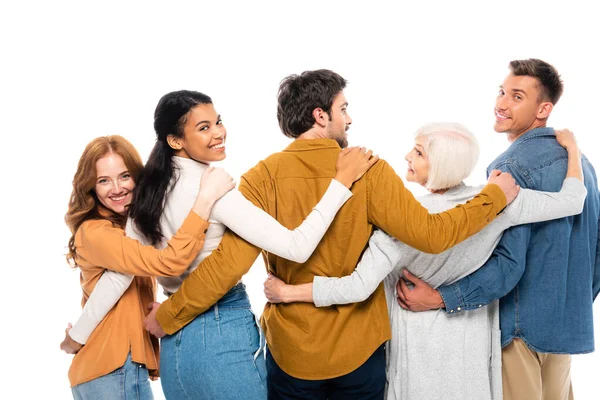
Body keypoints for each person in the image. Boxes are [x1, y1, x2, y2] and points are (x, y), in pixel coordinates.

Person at [144, 69, 520, 399]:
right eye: (343, 109)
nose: (349, 118)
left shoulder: (262, 177)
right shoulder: (368, 169)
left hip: (292, 352)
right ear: (320, 115)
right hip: (359, 348)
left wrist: (171, 314)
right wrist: (493, 196)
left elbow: (227, 266)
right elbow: (433, 234)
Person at [62, 90, 378, 399]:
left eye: (218, 121)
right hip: (219, 332)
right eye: (204, 127)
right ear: (175, 140)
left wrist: (77, 337)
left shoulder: (148, 191)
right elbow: (297, 247)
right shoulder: (213, 188)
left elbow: (119, 276)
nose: (219, 132)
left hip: (174, 348)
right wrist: (341, 182)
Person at [263, 123, 587, 400]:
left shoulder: (400, 224)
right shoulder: (500, 202)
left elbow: (357, 287)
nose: (407, 156)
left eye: (418, 152)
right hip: (470, 345)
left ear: (442, 163)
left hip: (416, 351)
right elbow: (573, 201)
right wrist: (573, 150)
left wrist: (289, 293)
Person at [396, 59, 600, 400]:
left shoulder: (510, 169)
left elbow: (508, 264)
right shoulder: (583, 168)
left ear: (543, 109)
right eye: (502, 91)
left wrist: (442, 298)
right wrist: (568, 304)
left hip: (518, 332)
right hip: (563, 333)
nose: (501, 103)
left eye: (517, 96)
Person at [62, 134, 236, 399]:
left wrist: (77, 335)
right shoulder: (98, 232)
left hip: (114, 369)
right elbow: (170, 261)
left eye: (124, 176)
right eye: (103, 180)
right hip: (111, 367)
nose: (116, 188)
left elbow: (112, 288)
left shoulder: (128, 230)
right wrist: (205, 199)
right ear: (91, 187)